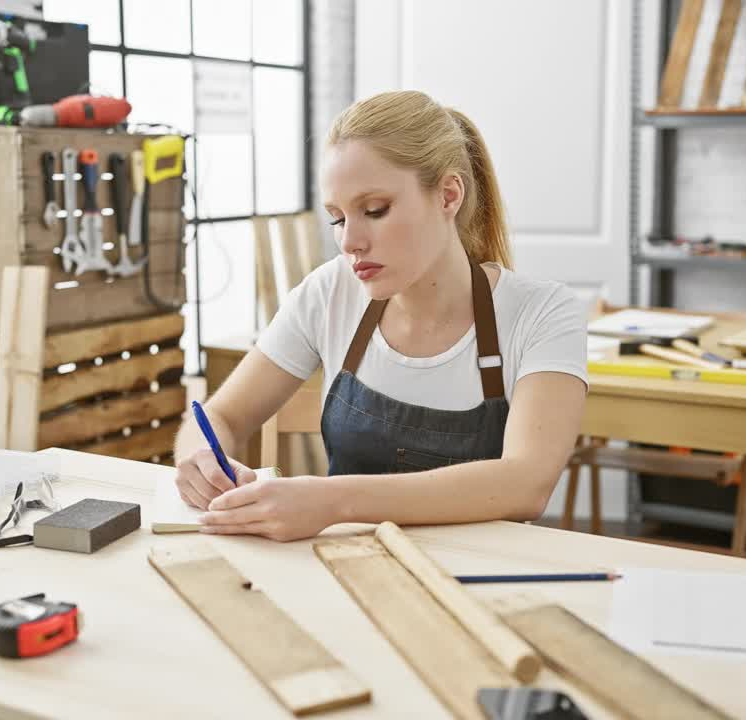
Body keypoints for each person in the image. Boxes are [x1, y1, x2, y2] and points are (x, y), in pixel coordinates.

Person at [171, 90, 588, 541]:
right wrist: (200, 458)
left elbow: (525, 483)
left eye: (374, 211)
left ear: (448, 196)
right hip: (344, 571)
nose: (350, 241)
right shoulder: (329, 292)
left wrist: (332, 501)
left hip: (482, 584)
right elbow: (221, 418)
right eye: (337, 218)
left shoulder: (544, 313)